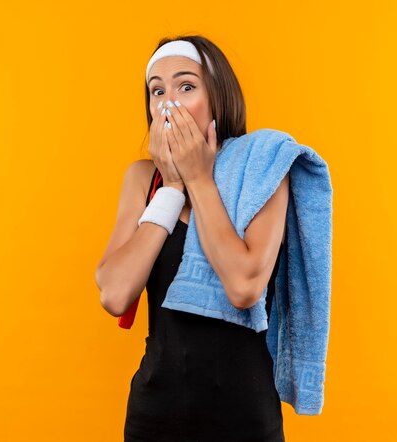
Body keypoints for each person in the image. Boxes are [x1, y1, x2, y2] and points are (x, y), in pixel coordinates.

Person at [95, 35, 289, 442]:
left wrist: (199, 177)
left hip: (245, 421)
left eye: (186, 86)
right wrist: (170, 188)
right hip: (155, 418)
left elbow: (244, 286)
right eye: (157, 91)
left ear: (216, 97)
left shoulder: (264, 170)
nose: (169, 103)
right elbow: (114, 294)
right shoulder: (141, 179)